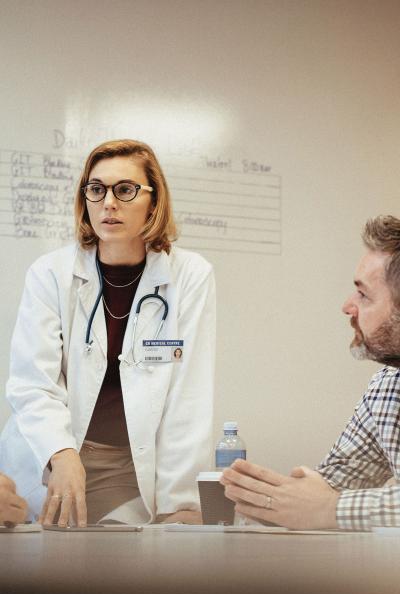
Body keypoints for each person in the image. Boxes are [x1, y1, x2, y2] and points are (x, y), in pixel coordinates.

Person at [0, 139, 215, 527]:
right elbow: (33, 384)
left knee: (123, 567)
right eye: (96, 189)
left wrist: (178, 501)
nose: (109, 203)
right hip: (49, 456)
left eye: (125, 190)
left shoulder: (189, 276)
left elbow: (188, 394)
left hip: (127, 468)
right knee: (36, 565)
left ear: (154, 200)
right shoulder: (50, 274)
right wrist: (62, 453)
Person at [221, 215, 400, 531]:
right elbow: (340, 477)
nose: (347, 306)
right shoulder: (387, 384)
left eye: (363, 294)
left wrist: (332, 509)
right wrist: (274, 500)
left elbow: (329, 504)